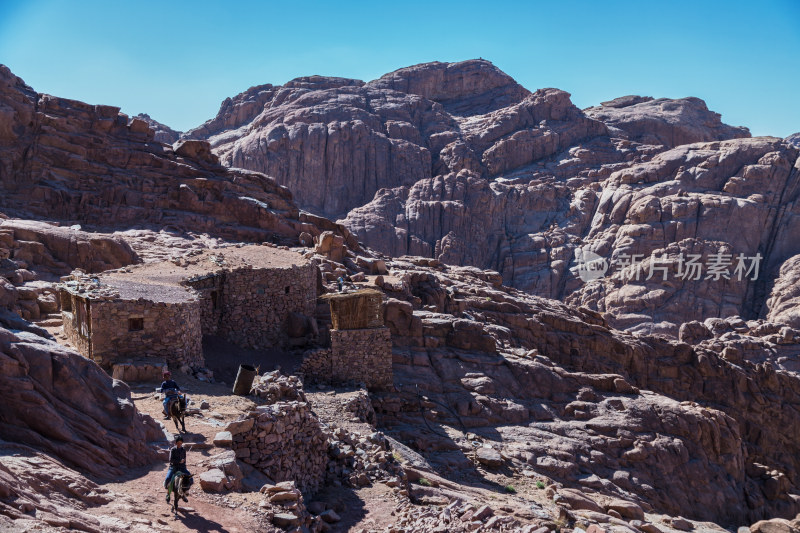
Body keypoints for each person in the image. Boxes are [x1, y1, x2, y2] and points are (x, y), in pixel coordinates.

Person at [164, 434, 191, 501]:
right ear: (175, 443)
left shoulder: (183, 450)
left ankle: (185, 492)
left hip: (182, 467)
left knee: (190, 478)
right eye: (178, 443)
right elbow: (171, 460)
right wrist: (179, 461)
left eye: (181, 443)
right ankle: (168, 493)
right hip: (173, 467)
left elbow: (184, 460)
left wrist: (183, 465)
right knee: (168, 478)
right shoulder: (173, 450)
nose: (179, 444)